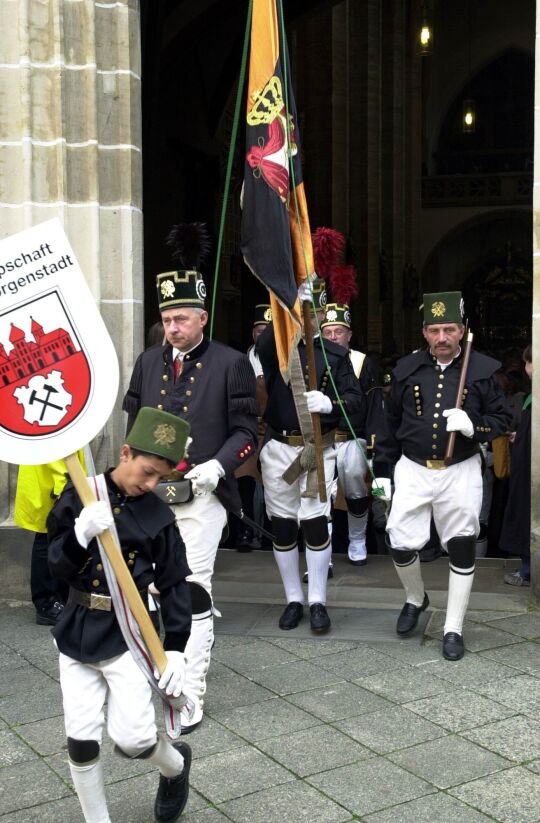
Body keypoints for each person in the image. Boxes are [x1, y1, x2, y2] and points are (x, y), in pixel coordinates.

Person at [123, 257, 258, 732]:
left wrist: (217, 467)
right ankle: (159, 668)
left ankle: (191, 688)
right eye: (166, 320)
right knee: (150, 587)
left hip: (203, 496)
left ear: (202, 317)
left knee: (193, 588)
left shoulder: (232, 363)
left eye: (181, 319)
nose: (173, 329)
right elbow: (132, 430)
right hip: (149, 497)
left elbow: (246, 432)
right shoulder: (147, 361)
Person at [47, 407, 193, 823]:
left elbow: (174, 582)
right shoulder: (81, 494)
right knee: (80, 739)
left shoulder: (157, 516)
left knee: (134, 740)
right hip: (77, 628)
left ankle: (175, 766)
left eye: (161, 478)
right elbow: (54, 566)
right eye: (147, 472)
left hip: (128, 634)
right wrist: (79, 535)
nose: (151, 484)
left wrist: (176, 647)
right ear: (125, 453)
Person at [373, 292, 511, 661]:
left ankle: (453, 627)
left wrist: (473, 426)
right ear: (424, 332)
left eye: (449, 329)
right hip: (413, 467)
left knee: (462, 543)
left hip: (460, 469)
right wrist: (382, 471)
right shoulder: (406, 369)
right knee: (398, 540)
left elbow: (502, 419)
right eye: (434, 330)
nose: (442, 338)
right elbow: (389, 424)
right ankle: (415, 597)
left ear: (462, 330)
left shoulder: (481, 371)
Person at [257, 280, 364, 633]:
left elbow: (356, 401)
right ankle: (293, 599)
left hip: (317, 448)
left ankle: (318, 600)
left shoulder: (335, 355)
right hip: (279, 448)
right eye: (303, 312)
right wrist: (287, 306)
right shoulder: (277, 350)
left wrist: (331, 403)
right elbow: (264, 343)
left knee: (316, 523)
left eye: (313, 312)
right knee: (283, 525)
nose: (308, 318)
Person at [321, 302, 380, 566]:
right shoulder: (314, 357)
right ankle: (322, 553)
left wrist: (374, 446)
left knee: (356, 485)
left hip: (352, 437)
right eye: (328, 332)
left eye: (339, 331)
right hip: (321, 439)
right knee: (320, 496)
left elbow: (374, 407)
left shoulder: (362, 362)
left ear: (349, 334)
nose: (333, 337)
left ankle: (357, 541)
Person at [14, 453, 86, 625]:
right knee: (47, 541)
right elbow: (56, 450)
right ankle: (46, 603)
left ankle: (56, 600)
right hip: (54, 486)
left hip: (53, 483)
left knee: (53, 540)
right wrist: (66, 486)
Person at [235, 303, 272, 551]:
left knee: (275, 483)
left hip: (274, 431)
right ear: (253, 333)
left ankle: (272, 533)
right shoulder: (239, 362)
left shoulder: (283, 362)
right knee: (243, 477)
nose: (263, 336)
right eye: (260, 331)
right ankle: (244, 531)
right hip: (247, 429)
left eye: (269, 331)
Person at [500, 344, 532, 585]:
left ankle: (528, 571)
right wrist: (520, 437)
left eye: (529, 362)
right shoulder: (532, 396)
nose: (527, 368)